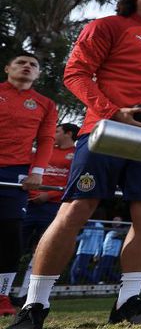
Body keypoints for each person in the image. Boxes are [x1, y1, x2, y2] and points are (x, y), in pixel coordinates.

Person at [6, 0, 141, 329]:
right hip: (104, 131)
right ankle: (35, 304)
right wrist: (113, 112)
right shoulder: (107, 27)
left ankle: (128, 301)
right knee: (77, 208)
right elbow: (75, 73)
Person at [0, 53, 57, 317]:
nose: (27, 66)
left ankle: (2, 295)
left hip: (16, 173)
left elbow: (46, 140)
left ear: (38, 74)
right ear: (7, 68)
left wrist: (37, 172)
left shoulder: (46, 104)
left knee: (11, 235)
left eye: (33, 64)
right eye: (21, 62)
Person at [14, 123, 78, 305]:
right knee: (13, 246)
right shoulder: (43, 151)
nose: (53, 134)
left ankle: (27, 295)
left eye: (57, 131)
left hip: (54, 207)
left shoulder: (76, 154)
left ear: (68, 134)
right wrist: (31, 194)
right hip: (30, 205)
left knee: (42, 251)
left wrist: (49, 195)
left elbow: (73, 182)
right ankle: (5, 290)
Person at [69, 211, 105, 284]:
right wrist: (98, 252)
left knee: (75, 270)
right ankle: (76, 285)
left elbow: (86, 235)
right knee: (78, 270)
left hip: (84, 249)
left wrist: (74, 238)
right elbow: (100, 241)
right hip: (91, 250)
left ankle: (95, 282)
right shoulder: (101, 226)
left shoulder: (91, 223)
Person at [91, 217, 124, 284]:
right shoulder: (110, 232)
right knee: (107, 270)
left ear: (121, 223)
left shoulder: (119, 231)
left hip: (110, 253)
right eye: (114, 220)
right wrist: (99, 253)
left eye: (117, 221)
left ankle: (94, 281)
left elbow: (122, 234)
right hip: (105, 253)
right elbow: (104, 243)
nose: (115, 222)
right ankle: (120, 281)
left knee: (99, 268)